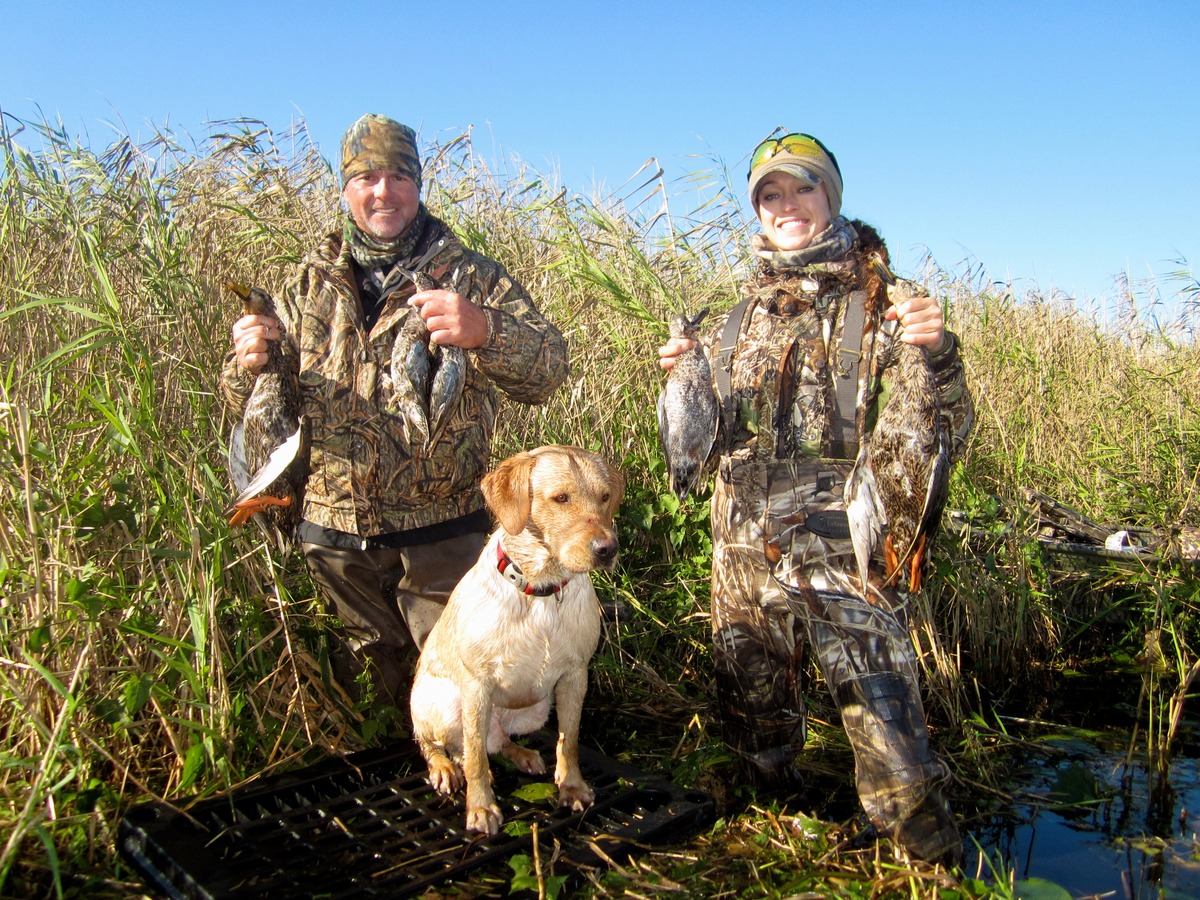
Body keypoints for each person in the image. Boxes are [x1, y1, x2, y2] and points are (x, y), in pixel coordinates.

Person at [657, 131, 974, 866]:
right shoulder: (734, 318)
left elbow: (940, 425)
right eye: (771, 193)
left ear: (831, 195)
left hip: (845, 540)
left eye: (802, 187)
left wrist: (939, 353)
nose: (787, 204)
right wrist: (683, 376)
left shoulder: (884, 300)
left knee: (888, 723)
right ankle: (771, 817)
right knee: (750, 707)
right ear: (757, 210)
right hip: (739, 539)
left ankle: (925, 852)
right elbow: (700, 445)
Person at [220, 114, 569, 715]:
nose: (383, 192)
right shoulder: (303, 285)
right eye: (367, 177)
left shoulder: (472, 276)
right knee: (374, 706)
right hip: (336, 540)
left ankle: (477, 786)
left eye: (398, 176)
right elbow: (257, 412)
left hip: (443, 534)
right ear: (345, 187)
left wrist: (486, 329)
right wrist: (245, 365)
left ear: (419, 183)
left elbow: (549, 371)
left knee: (463, 694)